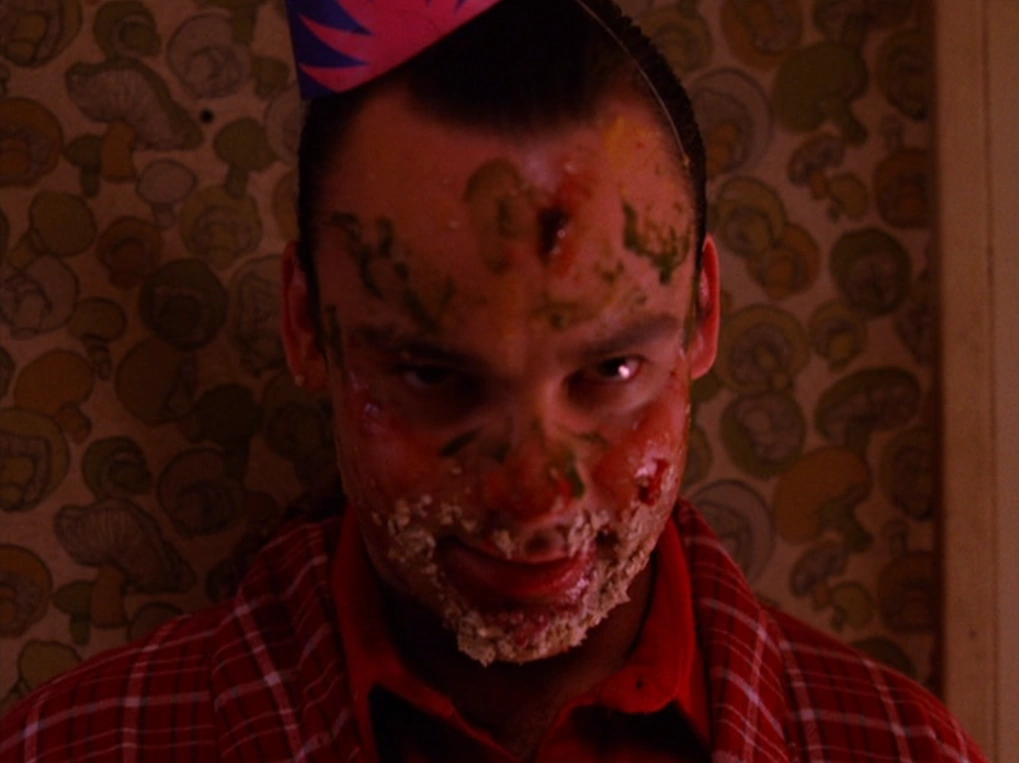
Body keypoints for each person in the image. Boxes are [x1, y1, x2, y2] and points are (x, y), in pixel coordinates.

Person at [0, 0, 987, 761]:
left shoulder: (901, 748)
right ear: (305, 323)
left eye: (609, 370)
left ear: (703, 314)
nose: (533, 496)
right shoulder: (76, 745)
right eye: (433, 375)